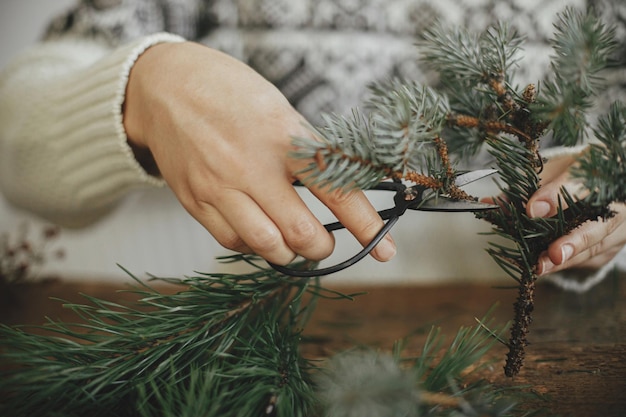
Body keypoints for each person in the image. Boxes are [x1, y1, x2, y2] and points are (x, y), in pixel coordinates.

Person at [0, 0, 624, 284]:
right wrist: (141, 85)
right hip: (210, 319)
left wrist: (611, 178)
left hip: (543, 333)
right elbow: (15, 142)